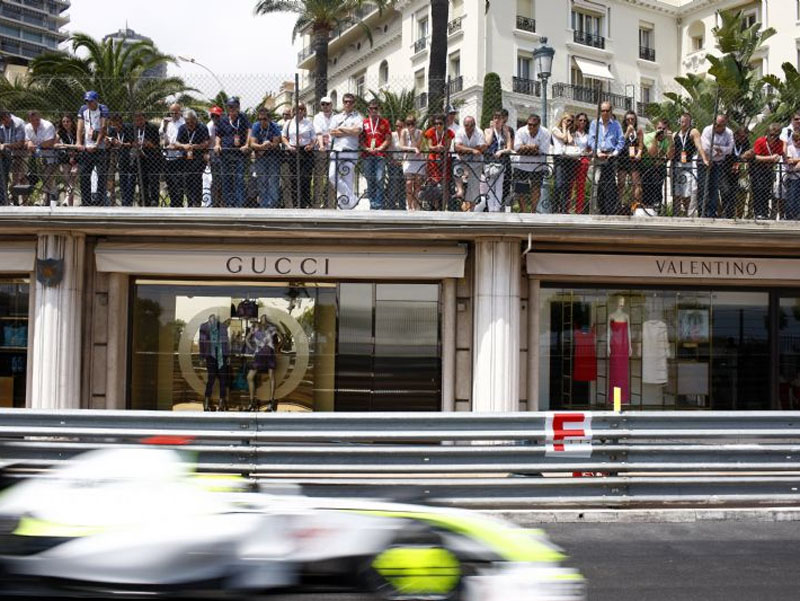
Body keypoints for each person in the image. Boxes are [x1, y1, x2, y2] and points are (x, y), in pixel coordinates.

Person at [588, 102, 625, 215]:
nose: (605, 113)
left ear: (611, 111)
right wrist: (598, 152)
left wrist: (614, 153)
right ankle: (597, 209)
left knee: (610, 185)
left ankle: (609, 211)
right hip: (598, 156)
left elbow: (621, 140)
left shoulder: (616, 125)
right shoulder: (594, 124)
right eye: (603, 110)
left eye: (607, 110)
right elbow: (591, 139)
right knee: (596, 183)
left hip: (610, 157)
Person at [214, 97, 251, 208]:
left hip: (239, 153)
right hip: (225, 153)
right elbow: (218, 135)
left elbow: (249, 130)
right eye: (229, 106)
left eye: (233, 106)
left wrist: (247, 144)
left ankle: (239, 205)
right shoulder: (223, 119)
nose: (231, 109)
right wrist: (217, 144)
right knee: (226, 179)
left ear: (238, 107)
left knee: (239, 179)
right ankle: (228, 204)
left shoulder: (243, 118)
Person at [75, 90, 110, 206]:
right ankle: (86, 202)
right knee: (84, 174)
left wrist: (97, 144)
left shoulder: (103, 108)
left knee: (101, 175)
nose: (89, 104)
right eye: (87, 101)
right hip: (86, 148)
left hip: (100, 149)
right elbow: (80, 127)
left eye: (91, 101)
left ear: (96, 101)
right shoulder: (83, 109)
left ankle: (100, 202)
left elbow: (103, 126)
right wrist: (79, 142)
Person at [328, 93, 363, 209]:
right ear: (343, 103)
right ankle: (352, 198)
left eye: (350, 102)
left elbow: (357, 131)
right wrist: (350, 131)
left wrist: (342, 129)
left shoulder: (358, 117)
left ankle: (345, 208)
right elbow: (332, 132)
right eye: (346, 101)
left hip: (351, 150)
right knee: (332, 176)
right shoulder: (336, 117)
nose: (348, 104)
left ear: (354, 104)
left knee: (348, 179)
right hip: (337, 150)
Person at [697, 114, 734, 218]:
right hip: (705, 163)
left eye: (720, 125)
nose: (717, 127)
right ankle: (702, 212)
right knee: (703, 188)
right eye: (716, 124)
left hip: (718, 164)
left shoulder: (729, 133)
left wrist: (718, 149)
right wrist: (719, 150)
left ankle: (712, 213)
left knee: (714, 189)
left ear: (725, 125)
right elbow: (706, 147)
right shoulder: (707, 130)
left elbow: (730, 149)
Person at [512, 114, 550, 213]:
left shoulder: (545, 132)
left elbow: (543, 151)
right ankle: (524, 211)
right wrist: (533, 147)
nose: (531, 127)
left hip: (538, 166)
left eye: (534, 125)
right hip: (521, 165)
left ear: (539, 125)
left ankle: (533, 212)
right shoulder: (521, 131)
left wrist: (525, 148)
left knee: (536, 188)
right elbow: (517, 148)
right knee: (520, 190)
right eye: (529, 124)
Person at [672, 112, 706, 217]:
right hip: (677, 165)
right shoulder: (675, 134)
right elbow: (672, 150)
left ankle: (687, 214)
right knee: (676, 192)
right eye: (682, 121)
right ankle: (676, 214)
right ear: (679, 121)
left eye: (687, 121)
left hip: (688, 165)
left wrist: (704, 158)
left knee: (687, 192)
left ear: (690, 122)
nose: (684, 123)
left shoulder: (693, 132)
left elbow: (699, 145)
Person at [174, 109, 210, 208]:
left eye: (191, 122)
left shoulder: (202, 127)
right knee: (187, 180)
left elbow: (206, 143)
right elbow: (176, 143)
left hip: (198, 158)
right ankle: (190, 202)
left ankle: (197, 203)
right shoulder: (182, 128)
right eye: (187, 123)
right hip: (185, 159)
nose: (190, 125)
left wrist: (195, 147)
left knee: (197, 180)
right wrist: (184, 146)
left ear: (195, 120)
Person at [282, 103, 315, 209]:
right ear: (294, 110)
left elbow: (314, 138)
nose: (300, 110)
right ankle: (296, 203)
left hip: (306, 151)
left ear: (304, 110)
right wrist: (288, 146)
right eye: (298, 108)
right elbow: (283, 137)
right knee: (294, 179)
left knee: (306, 178)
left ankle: (306, 203)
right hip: (293, 151)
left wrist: (311, 145)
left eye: (302, 108)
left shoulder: (309, 123)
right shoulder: (288, 123)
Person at [360, 99, 391, 210]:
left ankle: (379, 203)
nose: (373, 110)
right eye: (371, 108)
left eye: (376, 108)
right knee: (370, 179)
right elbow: (360, 140)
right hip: (367, 155)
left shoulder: (384, 122)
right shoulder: (364, 122)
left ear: (379, 109)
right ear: (368, 110)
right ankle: (372, 203)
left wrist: (379, 148)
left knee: (379, 179)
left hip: (380, 155)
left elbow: (388, 140)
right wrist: (367, 148)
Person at [250, 107, 283, 209]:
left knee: (273, 181)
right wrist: (262, 147)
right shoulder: (256, 126)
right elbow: (252, 143)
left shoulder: (274, 127)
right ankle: (263, 205)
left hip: (273, 157)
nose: (262, 121)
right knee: (262, 181)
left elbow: (276, 143)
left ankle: (273, 205)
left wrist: (269, 144)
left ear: (269, 119)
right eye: (260, 119)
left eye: (264, 119)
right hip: (260, 157)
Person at [245, 315, 279, 412]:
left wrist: (276, 349)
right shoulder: (255, 328)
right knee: (249, 377)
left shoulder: (271, 328)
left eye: (265, 317)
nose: (263, 319)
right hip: (260, 354)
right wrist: (252, 349)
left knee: (271, 376)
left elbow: (282, 338)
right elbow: (247, 340)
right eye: (262, 317)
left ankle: (270, 402)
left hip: (269, 354)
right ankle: (252, 402)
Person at [24, 110, 58, 206]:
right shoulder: (27, 127)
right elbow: (26, 140)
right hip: (36, 157)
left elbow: (49, 142)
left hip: (50, 156)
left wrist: (36, 146)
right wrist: (29, 143)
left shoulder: (48, 125)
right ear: (29, 120)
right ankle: (50, 199)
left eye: (37, 119)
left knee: (48, 178)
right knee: (42, 179)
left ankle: (47, 201)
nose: (35, 122)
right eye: (33, 120)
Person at [750, 123, 783, 220]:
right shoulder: (760, 141)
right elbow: (756, 157)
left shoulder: (779, 143)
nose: (773, 137)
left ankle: (764, 212)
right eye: (771, 134)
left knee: (766, 190)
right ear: (767, 133)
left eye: (775, 135)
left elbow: (779, 154)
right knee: (758, 190)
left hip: (769, 169)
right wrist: (770, 158)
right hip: (758, 169)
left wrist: (776, 158)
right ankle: (758, 212)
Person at [640, 118, 673, 211]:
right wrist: (655, 138)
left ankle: (657, 205)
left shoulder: (668, 139)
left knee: (657, 182)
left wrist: (670, 141)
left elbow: (670, 156)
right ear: (655, 128)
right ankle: (648, 207)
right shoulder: (648, 137)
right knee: (647, 190)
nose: (661, 131)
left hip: (659, 169)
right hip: (646, 167)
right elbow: (652, 154)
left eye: (663, 129)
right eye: (659, 128)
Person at [483, 110, 514, 211]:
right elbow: (487, 143)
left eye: (499, 118)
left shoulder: (506, 132)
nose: (496, 120)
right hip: (490, 161)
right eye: (495, 118)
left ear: (502, 120)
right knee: (490, 185)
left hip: (501, 162)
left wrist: (501, 151)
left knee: (499, 185)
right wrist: (492, 129)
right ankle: (491, 208)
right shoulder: (487, 130)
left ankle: (497, 208)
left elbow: (509, 148)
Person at [453, 116, 486, 211]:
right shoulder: (460, 132)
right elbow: (457, 147)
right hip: (462, 160)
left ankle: (471, 211)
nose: (469, 127)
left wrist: (464, 149)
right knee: (456, 168)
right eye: (466, 125)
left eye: (471, 125)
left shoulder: (479, 132)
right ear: (464, 125)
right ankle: (460, 190)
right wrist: (472, 150)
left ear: (474, 125)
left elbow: (483, 147)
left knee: (474, 186)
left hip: (476, 162)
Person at [422, 114, 454, 209]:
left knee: (445, 183)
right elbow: (430, 146)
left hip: (444, 160)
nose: (438, 126)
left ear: (444, 124)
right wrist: (436, 147)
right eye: (436, 123)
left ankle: (444, 205)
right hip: (433, 160)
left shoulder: (449, 133)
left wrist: (442, 148)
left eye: (440, 123)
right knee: (433, 183)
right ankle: (434, 205)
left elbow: (448, 147)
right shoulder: (430, 132)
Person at [198, 313, 230, 411]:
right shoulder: (204, 327)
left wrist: (227, 355)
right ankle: (207, 402)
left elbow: (226, 342)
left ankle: (221, 403)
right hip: (211, 356)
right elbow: (202, 342)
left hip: (221, 356)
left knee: (222, 380)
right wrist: (202, 357)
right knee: (211, 379)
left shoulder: (223, 327)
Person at [131, 111, 162, 207]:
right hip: (140, 159)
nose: (138, 121)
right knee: (141, 181)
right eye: (136, 119)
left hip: (152, 158)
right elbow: (131, 141)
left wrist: (148, 144)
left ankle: (154, 201)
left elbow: (157, 145)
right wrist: (135, 144)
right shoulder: (134, 129)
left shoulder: (152, 128)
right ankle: (144, 200)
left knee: (153, 181)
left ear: (144, 119)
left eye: (140, 119)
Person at [551, 112, 580, 213]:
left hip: (569, 159)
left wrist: (568, 130)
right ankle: (554, 208)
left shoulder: (571, 132)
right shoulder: (555, 129)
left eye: (571, 121)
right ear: (562, 120)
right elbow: (563, 138)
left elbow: (570, 141)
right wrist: (564, 128)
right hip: (559, 158)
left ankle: (564, 209)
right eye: (567, 120)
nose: (569, 123)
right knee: (559, 184)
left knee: (567, 186)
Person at [106, 113, 134, 207]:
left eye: (117, 125)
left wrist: (121, 144)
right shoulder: (112, 130)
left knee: (130, 181)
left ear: (121, 122)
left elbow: (133, 143)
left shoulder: (128, 128)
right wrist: (109, 142)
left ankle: (129, 202)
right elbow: (109, 143)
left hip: (130, 157)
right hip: (119, 158)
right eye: (113, 125)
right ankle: (124, 202)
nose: (115, 127)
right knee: (122, 181)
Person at [0, 108, 27, 206]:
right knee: (9, 180)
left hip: (20, 154)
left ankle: (25, 204)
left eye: (6, 119)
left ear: (8, 117)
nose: (5, 122)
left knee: (22, 178)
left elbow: (20, 143)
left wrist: (5, 145)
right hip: (6, 155)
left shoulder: (18, 123)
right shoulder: (1, 125)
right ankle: (12, 202)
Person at [160, 103, 185, 207]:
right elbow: (162, 136)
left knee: (179, 182)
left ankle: (179, 203)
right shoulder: (166, 122)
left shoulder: (183, 122)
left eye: (176, 111)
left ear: (180, 111)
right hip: (168, 156)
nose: (174, 114)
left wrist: (175, 145)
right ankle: (173, 203)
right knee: (170, 181)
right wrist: (165, 126)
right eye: (172, 111)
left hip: (179, 155)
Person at [617, 110, 643, 209]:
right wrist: (627, 132)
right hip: (623, 159)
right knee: (621, 183)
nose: (630, 121)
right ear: (625, 121)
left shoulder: (639, 131)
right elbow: (620, 144)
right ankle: (618, 204)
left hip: (634, 160)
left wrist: (639, 153)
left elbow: (640, 145)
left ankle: (635, 205)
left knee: (636, 184)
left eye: (632, 119)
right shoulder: (621, 131)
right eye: (628, 119)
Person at [312, 96, 335, 208]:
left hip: (333, 149)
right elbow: (319, 133)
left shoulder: (336, 116)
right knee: (319, 178)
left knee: (331, 177)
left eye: (327, 104)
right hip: (321, 150)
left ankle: (330, 204)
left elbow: (336, 131)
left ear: (331, 104)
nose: (325, 106)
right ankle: (316, 204)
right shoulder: (317, 117)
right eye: (323, 104)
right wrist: (321, 146)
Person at [399, 114, 424, 211]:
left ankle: (416, 205)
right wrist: (412, 148)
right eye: (408, 124)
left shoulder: (420, 132)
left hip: (418, 160)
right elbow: (402, 146)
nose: (410, 126)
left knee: (417, 184)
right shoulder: (404, 132)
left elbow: (418, 146)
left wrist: (413, 135)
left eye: (412, 124)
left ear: (415, 124)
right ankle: (409, 206)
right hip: (409, 159)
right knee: (409, 183)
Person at [55, 113, 79, 206]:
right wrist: (64, 147)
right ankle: (69, 204)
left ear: (72, 122)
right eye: (64, 121)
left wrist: (64, 145)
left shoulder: (77, 132)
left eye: (68, 121)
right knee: (67, 181)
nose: (66, 123)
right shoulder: (60, 133)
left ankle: (66, 200)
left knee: (72, 179)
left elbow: (78, 146)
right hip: (65, 159)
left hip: (77, 159)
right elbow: (55, 145)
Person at [570, 112, 591, 213]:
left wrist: (588, 154)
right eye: (580, 120)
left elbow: (590, 149)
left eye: (585, 120)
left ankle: (579, 210)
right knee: (569, 185)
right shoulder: (573, 133)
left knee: (580, 186)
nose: (582, 122)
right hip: (572, 160)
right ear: (577, 121)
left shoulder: (588, 135)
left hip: (583, 160)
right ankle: (567, 208)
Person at [387, 119, 406, 210]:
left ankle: (402, 205)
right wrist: (393, 160)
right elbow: (389, 149)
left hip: (405, 163)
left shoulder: (406, 135)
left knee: (403, 186)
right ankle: (391, 205)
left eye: (400, 126)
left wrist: (404, 161)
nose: (398, 128)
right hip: (394, 163)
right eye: (397, 126)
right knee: (393, 184)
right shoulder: (392, 135)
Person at [206, 106, 223, 207]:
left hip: (222, 155)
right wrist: (208, 154)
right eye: (213, 116)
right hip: (213, 155)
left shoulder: (222, 125)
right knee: (216, 180)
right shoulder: (210, 126)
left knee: (223, 179)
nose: (215, 118)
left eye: (217, 116)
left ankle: (221, 201)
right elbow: (208, 141)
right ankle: (215, 202)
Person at [784, 131, 800, 220]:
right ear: (793, 140)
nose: (799, 142)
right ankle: (790, 215)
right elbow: (790, 161)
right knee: (792, 197)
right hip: (793, 177)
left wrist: (796, 161)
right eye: (797, 140)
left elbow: (794, 161)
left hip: (798, 175)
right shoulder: (790, 148)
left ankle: (797, 215)